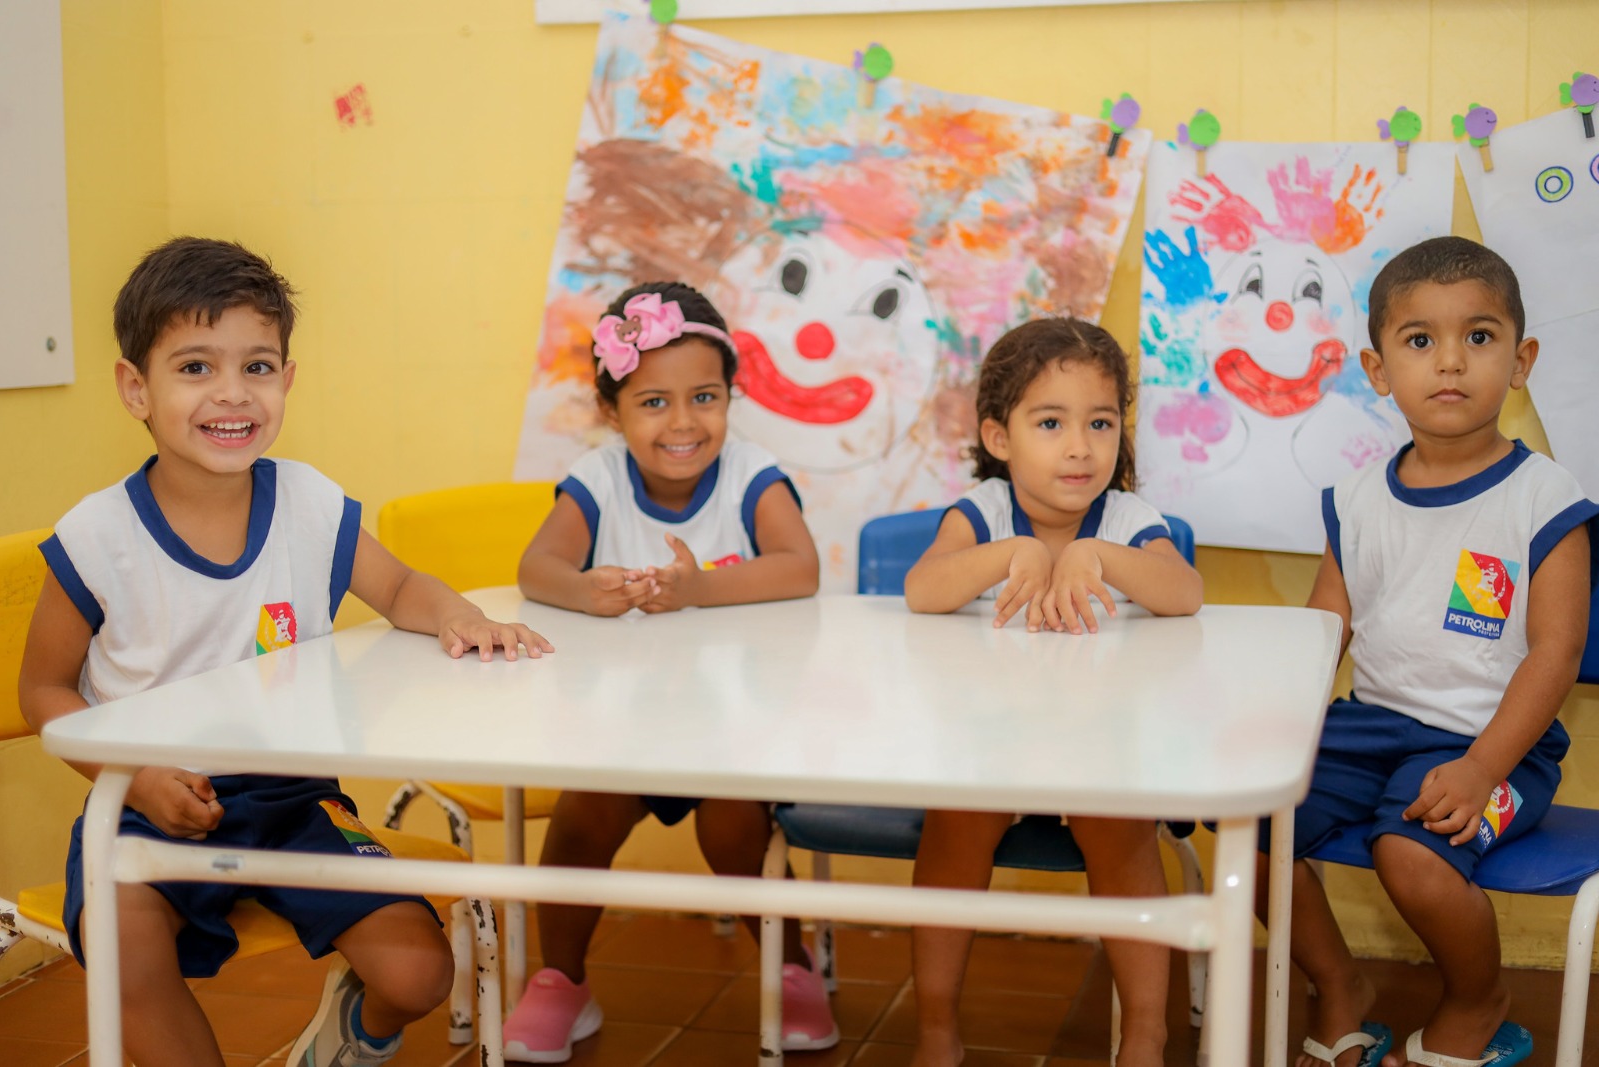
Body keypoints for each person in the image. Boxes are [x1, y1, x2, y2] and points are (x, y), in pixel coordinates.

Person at [17, 236, 554, 1067]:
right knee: (126, 951)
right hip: (140, 800)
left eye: (257, 367)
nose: (232, 393)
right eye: (195, 366)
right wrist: (136, 776)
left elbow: (404, 586)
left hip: (294, 799)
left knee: (418, 974)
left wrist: (456, 614)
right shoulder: (97, 536)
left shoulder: (308, 502)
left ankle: (348, 1036)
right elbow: (46, 690)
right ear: (136, 388)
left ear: (287, 380)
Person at [1263, 236, 1596, 1067]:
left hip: (1494, 744)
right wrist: (1263, 730)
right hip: (1370, 727)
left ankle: (1479, 999)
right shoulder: (1356, 498)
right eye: (1421, 341)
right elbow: (1323, 634)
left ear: (1520, 361)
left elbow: (1555, 655)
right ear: (1379, 370)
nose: (1450, 362)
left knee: (1409, 855)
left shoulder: (1547, 497)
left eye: (1478, 338)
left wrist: (1484, 764)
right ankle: (1341, 984)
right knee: (1254, 827)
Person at [509, 281, 832, 1062]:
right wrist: (584, 588)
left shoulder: (754, 473)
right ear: (613, 412)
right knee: (582, 817)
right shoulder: (598, 478)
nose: (684, 422)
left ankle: (789, 967)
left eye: (704, 397)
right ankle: (560, 978)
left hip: (733, 729)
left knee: (736, 834)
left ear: (731, 398)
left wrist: (701, 588)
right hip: (624, 729)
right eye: (654, 402)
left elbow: (801, 567)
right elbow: (535, 566)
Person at [903, 317, 1204, 1067]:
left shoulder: (1130, 520)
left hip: (1103, 747)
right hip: (991, 742)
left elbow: (1185, 592)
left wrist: (1102, 556)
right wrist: (1015, 552)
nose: (1080, 446)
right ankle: (936, 1023)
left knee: (1121, 834)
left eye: (1100, 422)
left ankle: (1144, 1030)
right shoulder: (984, 511)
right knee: (955, 826)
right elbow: (922, 590)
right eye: (1051, 422)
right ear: (1000, 438)